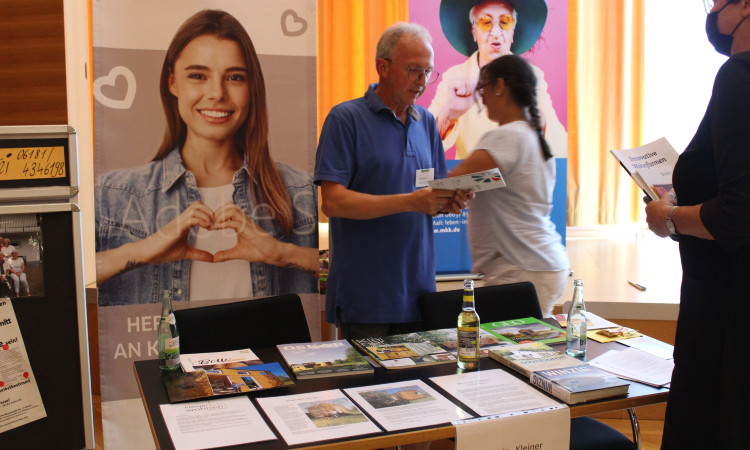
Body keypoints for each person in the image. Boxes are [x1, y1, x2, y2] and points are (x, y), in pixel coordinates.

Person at [95, 9, 318, 306]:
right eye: (198, 76)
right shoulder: (114, 194)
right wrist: (144, 249)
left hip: (268, 354)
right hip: (162, 354)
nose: (217, 93)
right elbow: (67, 282)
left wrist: (284, 253)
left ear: (251, 88)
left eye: (235, 77)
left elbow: (355, 274)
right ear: (173, 82)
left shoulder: (299, 189)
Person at [314, 22, 469, 339]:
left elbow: (430, 195)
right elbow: (332, 202)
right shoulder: (345, 120)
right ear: (382, 67)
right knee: (366, 389)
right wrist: (411, 201)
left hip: (419, 292)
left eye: (428, 72)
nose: (422, 82)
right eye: (414, 71)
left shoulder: (425, 121)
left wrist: (448, 201)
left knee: (421, 389)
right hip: (367, 299)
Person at [644, 1, 750, 447]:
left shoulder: (739, 78)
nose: (710, 10)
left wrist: (668, 217)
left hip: (726, 317)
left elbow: (736, 214)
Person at [448, 54, 568, 316]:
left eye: (484, 89)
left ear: (499, 86)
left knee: (509, 351)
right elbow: (499, 183)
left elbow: (451, 182)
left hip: (520, 268)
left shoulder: (506, 136)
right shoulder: (532, 137)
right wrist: (468, 186)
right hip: (542, 263)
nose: (483, 99)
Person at [428, 0, 566, 160]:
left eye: (504, 22)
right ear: (474, 30)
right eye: (486, 22)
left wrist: (536, 118)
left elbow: (561, 149)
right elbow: (421, 147)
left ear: (513, 31)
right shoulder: (455, 77)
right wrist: (449, 114)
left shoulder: (532, 77)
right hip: (472, 179)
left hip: (516, 180)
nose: (495, 33)